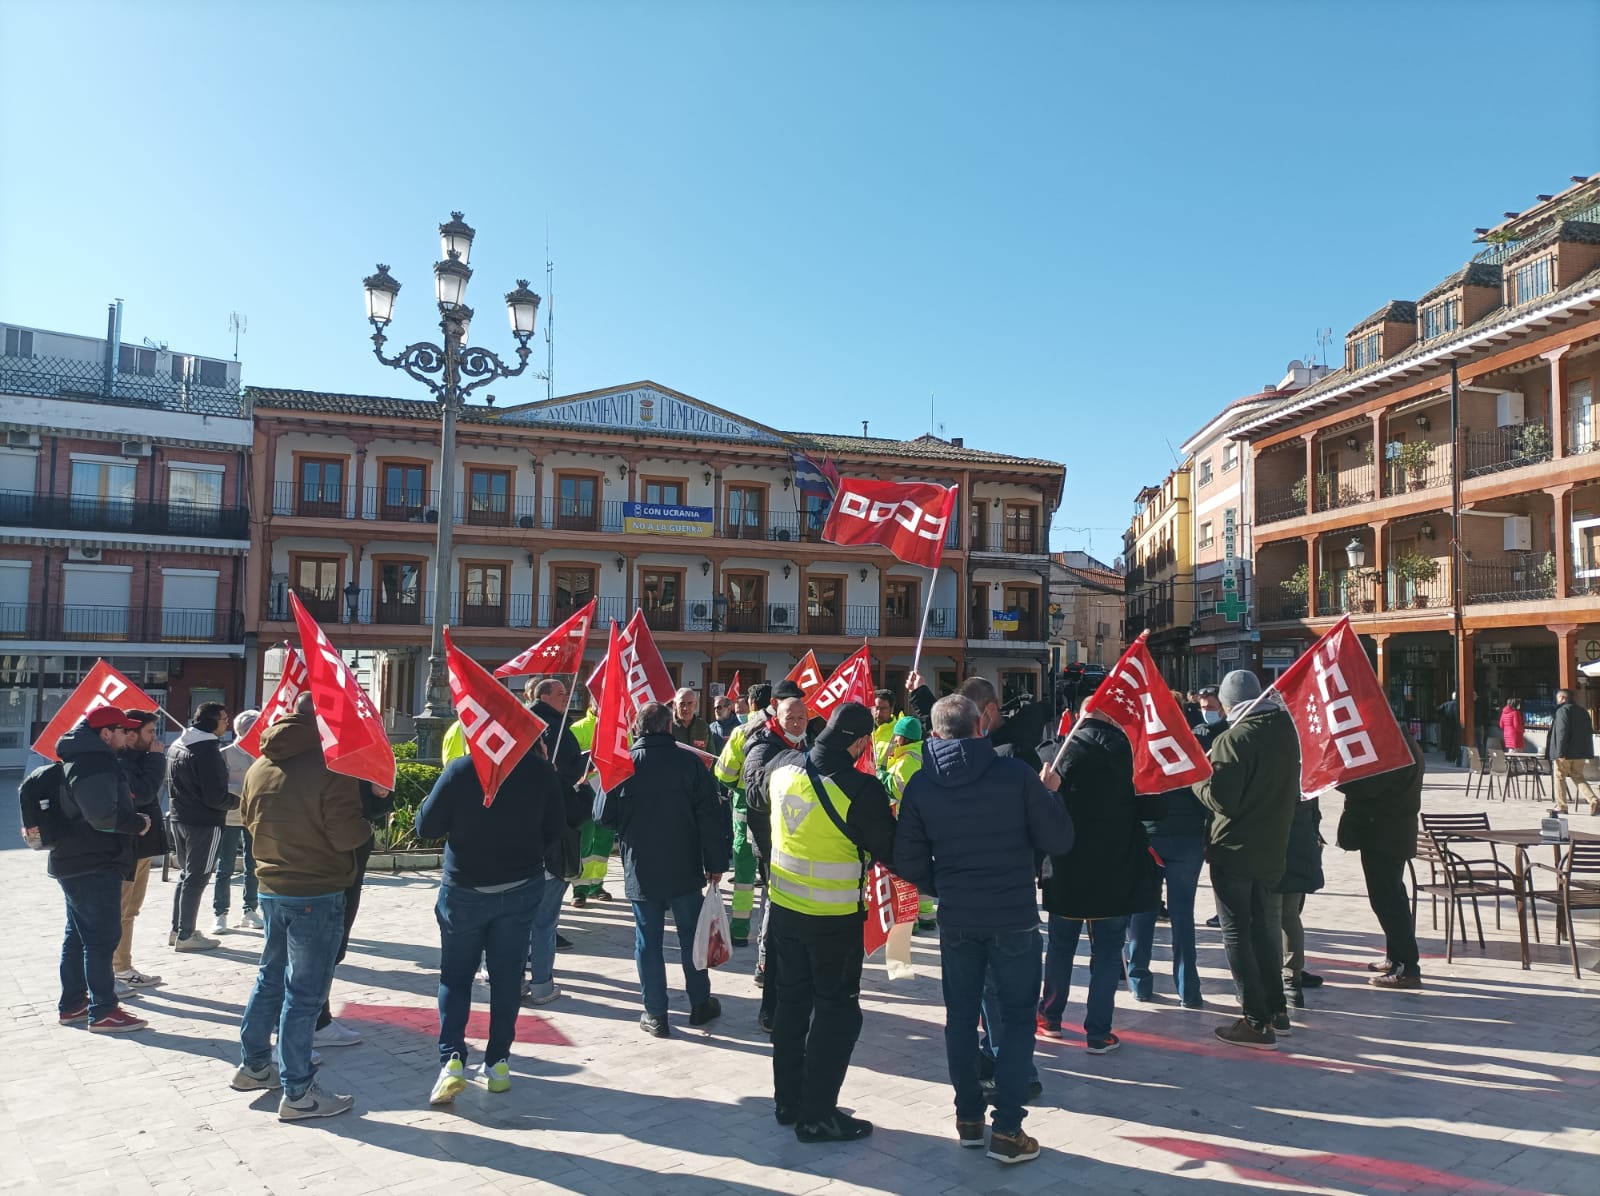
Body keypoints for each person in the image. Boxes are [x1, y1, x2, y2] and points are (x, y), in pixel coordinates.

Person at [895, 695, 1072, 1166]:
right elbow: (1059, 839)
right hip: (1013, 916)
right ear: (981, 728)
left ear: (934, 735)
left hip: (958, 916)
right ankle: (1008, 1129)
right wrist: (1050, 792)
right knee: (1015, 1021)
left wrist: (947, 884)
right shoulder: (1016, 775)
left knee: (961, 1017)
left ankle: (969, 1118)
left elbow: (908, 859)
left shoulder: (920, 784)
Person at [233, 694, 371, 1121]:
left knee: (270, 977)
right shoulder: (332, 767)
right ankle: (299, 1091)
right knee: (305, 995)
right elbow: (347, 835)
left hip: (272, 885)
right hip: (317, 887)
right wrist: (368, 822)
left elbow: (246, 818)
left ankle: (255, 1064)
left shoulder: (259, 764)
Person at [765, 702, 897, 1143]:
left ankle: (789, 1101)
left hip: (783, 913)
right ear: (860, 743)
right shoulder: (862, 790)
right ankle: (817, 1114)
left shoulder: (782, 768)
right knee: (838, 1015)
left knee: (790, 1007)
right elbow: (890, 849)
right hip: (833, 922)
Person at [416, 732, 566, 1102]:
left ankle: (451, 1060)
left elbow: (426, 828)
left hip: (465, 888)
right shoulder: (539, 770)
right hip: (520, 886)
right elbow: (555, 828)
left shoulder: (461, 769)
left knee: (455, 974)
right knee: (507, 976)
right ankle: (498, 1063)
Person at [600, 701, 728, 1037]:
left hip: (641, 867)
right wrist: (715, 864)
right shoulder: (690, 763)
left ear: (638, 729)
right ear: (669, 728)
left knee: (649, 942)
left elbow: (603, 816)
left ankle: (656, 1013)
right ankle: (700, 1003)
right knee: (691, 938)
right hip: (684, 865)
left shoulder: (623, 765)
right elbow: (710, 818)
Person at [1038, 708, 1161, 1055]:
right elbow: (1155, 811)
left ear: (1080, 716)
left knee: (1060, 948)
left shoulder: (1058, 753)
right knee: (1107, 953)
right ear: (1110, 719)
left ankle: (1050, 1017)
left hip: (1066, 871)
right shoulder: (1130, 755)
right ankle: (1098, 1032)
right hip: (1113, 870)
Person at [1195, 670, 1300, 1049]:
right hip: (1273, 847)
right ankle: (1276, 1008)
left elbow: (1223, 799)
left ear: (1230, 703)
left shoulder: (1233, 739)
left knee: (1237, 932)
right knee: (1263, 929)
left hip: (1235, 850)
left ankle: (1255, 1021)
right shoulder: (1285, 732)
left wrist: (1197, 777)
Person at [54, 707, 152, 1034]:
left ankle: (73, 1005)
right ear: (106, 733)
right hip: (93, 861)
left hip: (78, 860)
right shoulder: (94, 762)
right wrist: (137, 823)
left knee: (79, 937)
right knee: (102, 938)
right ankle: (104, 1010)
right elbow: (101, 817)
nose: (128, 737)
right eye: (123, 731)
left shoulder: (83, 756)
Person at [1125, 689, 1224, 1007]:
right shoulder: (1196, 744)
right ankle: (1188, 989)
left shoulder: (1142, 744)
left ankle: (1139, 981)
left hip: (1151, 836)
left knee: (1143, 909)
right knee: (1183, 915)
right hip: (1188, 837)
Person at [740, 692, 812, 1025]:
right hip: (773, 846)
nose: (797, 723)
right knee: (776, 916)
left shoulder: (804, 743)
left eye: (802, 718)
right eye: (790, 718)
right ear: (776, 717)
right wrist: (791, 768)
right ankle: (766, 973)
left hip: (801, 848)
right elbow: (754, 793)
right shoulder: (763, 745)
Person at [1338, 728, 1425, 989]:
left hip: (1385, 835)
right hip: (1389, 832)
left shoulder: (1395, 747)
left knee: (1388, 902)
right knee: (1391, 897)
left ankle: (1408, 967)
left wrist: (1333, 777)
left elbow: (1369, 786)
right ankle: (1395, 956)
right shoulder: (1401, 742)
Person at [313, 775, 391, 1049]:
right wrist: (364, 832)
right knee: (323, 949)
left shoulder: (272, 763)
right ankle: (311, 1025)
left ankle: (303, 1025)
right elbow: (349, 830)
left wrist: (380, 794)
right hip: (333, 869)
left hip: (287, 871)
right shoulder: (328, 766)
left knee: (294, 955)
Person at [526, 677, 589, 1000]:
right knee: (544, 919)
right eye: (563, 693)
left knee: (518, 915)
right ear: (545, 696)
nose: (569, 697)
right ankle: (541, 983)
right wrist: (584, 788)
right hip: (553, 837)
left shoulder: (526, 721)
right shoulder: (555, 730)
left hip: (520, 842)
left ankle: (507, 974)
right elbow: (566, 784)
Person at [714, 680, 775, 945]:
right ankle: (771, 929)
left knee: (744, 872)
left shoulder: (742, 731)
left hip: (744, 805)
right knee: (774, 872)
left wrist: (734, 786)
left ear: (751, 703)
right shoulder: (781, 728)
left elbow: (724, 772)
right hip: (776, 806)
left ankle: (739, 930)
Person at [167, 701, 231, 951]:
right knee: (198, 877)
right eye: (224, 719)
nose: (227, 722)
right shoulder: (207, 751)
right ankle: (186, 934)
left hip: (179, 817)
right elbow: (216, 796)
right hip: (204, 821)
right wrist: (241, 800)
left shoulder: (178, 744)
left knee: (186, 875)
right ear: (213, 721)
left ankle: (178, 928)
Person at [113, 709, 168, 993]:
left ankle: (123, 965)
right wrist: (157, 759)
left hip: (142, 848)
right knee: (121, 912)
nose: (155, 739)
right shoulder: (121, 762)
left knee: (130, 911)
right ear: (132, 735)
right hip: (127, 850)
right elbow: (144, 794)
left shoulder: (138, 760)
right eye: (150, 733)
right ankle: (118, 970)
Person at [908, 673, 1042, 770]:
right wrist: (919, 693)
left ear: (990, 709)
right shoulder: (975, 736)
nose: (964, 721)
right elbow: (948, 731)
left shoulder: (1018, 752)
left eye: (971, 714)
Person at [569, 686, 616, 907]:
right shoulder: (578, 729)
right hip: (586, 794)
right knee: (584, 842)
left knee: (604, 843)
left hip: (610, 793)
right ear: (592, 704)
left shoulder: (620, 729)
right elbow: (570, 763)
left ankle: (597, 885)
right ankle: (579, 889)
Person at [216, 710, 262, 934]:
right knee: (224, 867)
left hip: (255, 817)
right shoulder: (225, 754)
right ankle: (220, 913)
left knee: (253, 866)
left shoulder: (264, 753)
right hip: (230, 817)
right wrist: (245, 791)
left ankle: (250, 910)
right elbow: (219, 786)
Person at [1277, 793, 1325, 1009]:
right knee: (1289, 915)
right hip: (1301, 845)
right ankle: (1291, 980)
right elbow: (1315, 814)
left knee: (1270, 916)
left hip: (1273, 848)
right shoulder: (1306, 771)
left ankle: (1281, 977)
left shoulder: (1269, 765)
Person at [1548, 689, 1598, 816]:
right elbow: (1588, 732)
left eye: (1558, 697)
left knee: (1559, 777)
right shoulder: (1582, 711)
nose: (1557, 700)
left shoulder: (1562, 711)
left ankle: (1561, 806)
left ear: (1563, 698)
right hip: (1580, 752)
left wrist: (1560, 752)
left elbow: (1562, 733)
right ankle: (1593, 799)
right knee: (1577, 776)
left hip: (1565, 752)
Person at [670, 686, 713, 751]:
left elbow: (712, 756)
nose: (686, 708)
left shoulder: (703, 726)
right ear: (675, 705)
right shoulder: (668, 726)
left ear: (695, 705)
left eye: (690, 703)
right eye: (682, 704)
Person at [870, 688, 903, 769]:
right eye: (876, 708)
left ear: (891, 709)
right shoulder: (865, 729)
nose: (878, 712)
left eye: (883, 709)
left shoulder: (900, 732)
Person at [1436, 692, 1461, 766]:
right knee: (1455, 742)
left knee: (1448, 742)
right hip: (1456, 726)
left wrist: (1443, 718)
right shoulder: (1458, 705)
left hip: (1448, 726)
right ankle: (1454, 756)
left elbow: (1438, 709)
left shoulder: (1446, 704)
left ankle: (1448, 756)